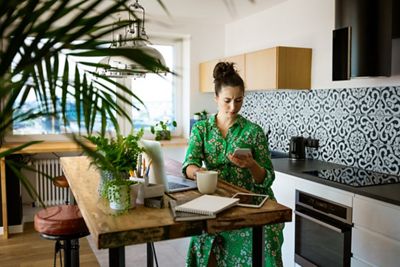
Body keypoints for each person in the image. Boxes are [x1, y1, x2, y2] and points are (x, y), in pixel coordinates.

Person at [182, 62, 283, 267]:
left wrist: (252, 165)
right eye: (227, 100)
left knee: (265, 240)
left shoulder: (253, 131)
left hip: (250, 203)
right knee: (201, 241)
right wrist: (200, 172)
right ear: (216, 98)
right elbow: (188, 165)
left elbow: (267, 177)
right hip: (215, 201)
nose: (233, 107)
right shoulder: (201, 129)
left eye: (239, 100)